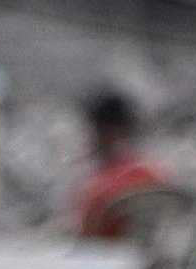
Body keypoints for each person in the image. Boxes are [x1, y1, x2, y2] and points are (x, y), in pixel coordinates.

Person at [72, 90, 173, 243]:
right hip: (150, 262)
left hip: (105, 261)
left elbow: (85, 239)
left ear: (103, 132)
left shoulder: (99, 188)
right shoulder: (154, 175)